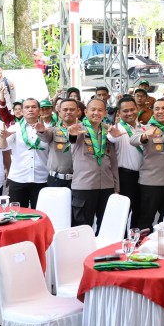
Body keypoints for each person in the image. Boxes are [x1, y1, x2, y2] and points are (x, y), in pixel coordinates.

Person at [68, 98, 119, 229]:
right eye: (93, 110)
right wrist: (72, 134)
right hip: (84, 186)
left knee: (106, 227)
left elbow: (113, 162)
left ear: (105, 113)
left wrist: (116, 188)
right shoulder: (78, 129)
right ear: (86, 112)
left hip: (107, 186)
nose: (96, 113)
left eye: (100, 110)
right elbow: (72, 139)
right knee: (82, 228)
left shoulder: (109, 131)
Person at [131, 98, 164, 230]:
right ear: (153, 111)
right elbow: (133, 140)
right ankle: (144, 242)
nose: (160, 111)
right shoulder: (146, 127)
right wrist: (145, 136)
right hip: (150, 183)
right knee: (146, 219)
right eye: (157, 109)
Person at [0, 98, 49, 208]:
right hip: (18, 178)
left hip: (41, 178)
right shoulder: (14, 128)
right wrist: (3, 137)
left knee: (40, 213)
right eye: (27, 107)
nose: (30, 109)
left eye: (34, 107)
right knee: (17, 214)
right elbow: (2, 146)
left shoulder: (48, 129)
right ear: (22, 111)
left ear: (39, 110)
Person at [108, 96, 144, 226]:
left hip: (143, 177)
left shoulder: (143, 128)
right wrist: (113, 135)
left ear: (137, 109)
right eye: (125, 111)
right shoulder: (117, 129)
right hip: (125, 177)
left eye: (132, 109)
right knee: (123, 214)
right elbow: (112, 138)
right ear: (119, 113)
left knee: (139, 212)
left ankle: (136, 237)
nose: (129, 113)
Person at [38, 97, 79, 188]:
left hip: (80, 180)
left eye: (72, 109)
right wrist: (41, 131)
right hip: (57, 180)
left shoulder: (85, 131)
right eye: (65, 109)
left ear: (78, 111)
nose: (68, 112)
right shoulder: (53, 130)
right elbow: (45, 137)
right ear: (59, 111)